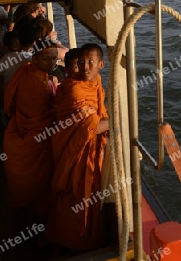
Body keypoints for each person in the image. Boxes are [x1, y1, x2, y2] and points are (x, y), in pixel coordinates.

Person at [46, 43, 109, 251]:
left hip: (86, 149)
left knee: (85, 193)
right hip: (75, 151)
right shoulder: (75, 89)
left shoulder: (95, 83)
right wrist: (117, 120)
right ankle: (73, 241)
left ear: (101, 64)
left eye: (91, 62)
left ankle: (85, 237)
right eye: (81, 62)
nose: (85, 67)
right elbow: (91, 126)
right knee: (75, 192)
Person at [3, 39, 58, 219]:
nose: (51, 64)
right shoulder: (35, 81)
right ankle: (32, 211)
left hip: (18, 128)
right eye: (46, 60)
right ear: (34, 59)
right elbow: (43, 115)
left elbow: (10, 102)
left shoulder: (27, 72)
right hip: (34, 135)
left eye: (54, 60)